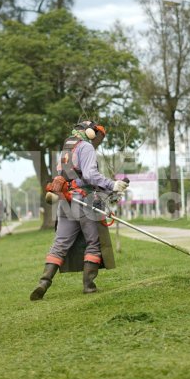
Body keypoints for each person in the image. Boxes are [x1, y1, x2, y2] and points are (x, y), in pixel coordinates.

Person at [30, 120, 129, 301]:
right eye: (98, 136)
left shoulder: (67, 147)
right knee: (94, 242)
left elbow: (75, 178)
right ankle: (89, 287)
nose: (98, 141)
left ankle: (43, 282)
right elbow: (90, 176)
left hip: (66, 201)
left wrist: (109, 190)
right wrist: (112, 184)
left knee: (60, 244)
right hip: (85, 200)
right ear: (90, 132)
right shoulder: (86, 147)